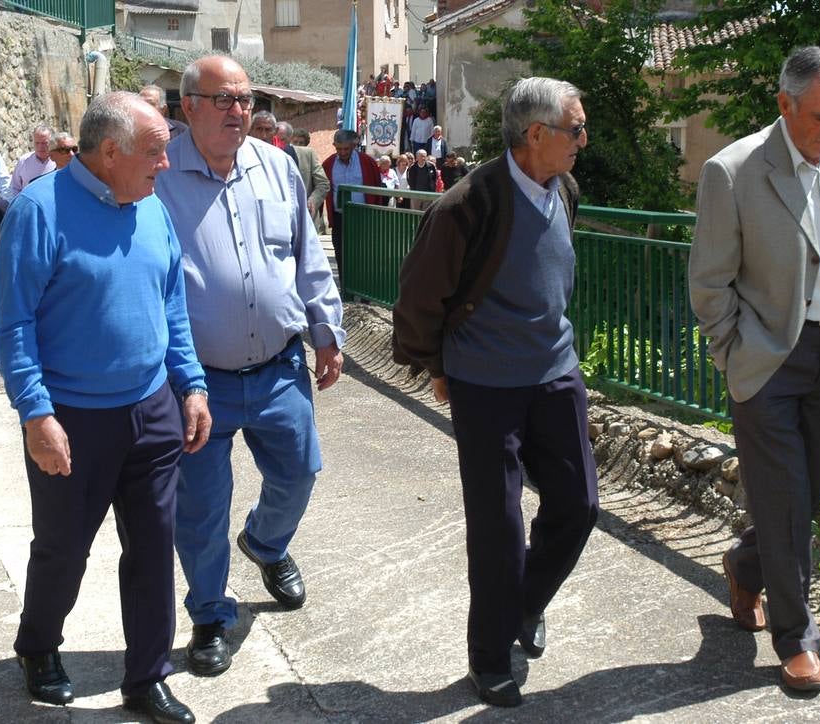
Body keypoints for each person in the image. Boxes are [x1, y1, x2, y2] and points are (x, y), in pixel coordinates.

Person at [0, 91, 210, 724]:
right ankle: (38, 645)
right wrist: (35, 414)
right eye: (155, 153)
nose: (165, 167)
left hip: (151, 411)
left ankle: (147, 677)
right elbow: (14, 326)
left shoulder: (151, 209)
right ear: (110, 152)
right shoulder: (39, 211)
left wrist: (190, 384)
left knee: (152, 547)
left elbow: (171, 302)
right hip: (72, 419)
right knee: (63, 548)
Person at [392, 76, 597, 708]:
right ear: (537, 135)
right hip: (486, 384)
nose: (583, 142)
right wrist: (433, 364)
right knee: (498, 525)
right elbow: (421, 297)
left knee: (579, 504)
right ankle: (489, 658)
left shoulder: (564, 191)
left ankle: (522, 606)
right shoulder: (466, 205)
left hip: (555, 373)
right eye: (576, 130)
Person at [688, 46, 820, 693]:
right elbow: (709, 283)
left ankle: (745, 566)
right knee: (782, 498)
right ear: (784, 104)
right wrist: (734, 354)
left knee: (797, 502)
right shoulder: (733, 170)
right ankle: (796, 639)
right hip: (769, 359)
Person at [155, 55, 345, 681]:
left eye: (243, 98)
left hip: (278, 365)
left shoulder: (277, 167)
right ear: (189, 108)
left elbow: (306, 253)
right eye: (223, 100)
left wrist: (327, 330)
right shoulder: (158, 179)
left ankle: (265, 543)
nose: (239, 110)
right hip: (197, 379)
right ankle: (211, 614)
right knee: (202, 506)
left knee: (299, 470)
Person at [321, 128, 384, 276]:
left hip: (364, 217)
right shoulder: (329, 164)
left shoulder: (367, 162)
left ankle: (365, 292)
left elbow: (377, 189)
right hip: (340, 218)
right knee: (341, 255)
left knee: (365, 256)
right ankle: (345, 292)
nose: (342, 152)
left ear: (354, 145)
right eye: (339, 149)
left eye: (346, 149)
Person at [252, 112, 330, 226]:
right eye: (276, 139)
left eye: (282, 140)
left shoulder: (307, 155)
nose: (278, 143)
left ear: (290, 138)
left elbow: (323, 184)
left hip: (302, 221)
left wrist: (312, 201)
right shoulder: (251, 156)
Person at [6, 126, 55, 203]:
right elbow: (14, 187)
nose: (40, 147)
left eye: (44, 143)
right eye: (37, 143)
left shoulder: (57, 161)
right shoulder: (24, 161)